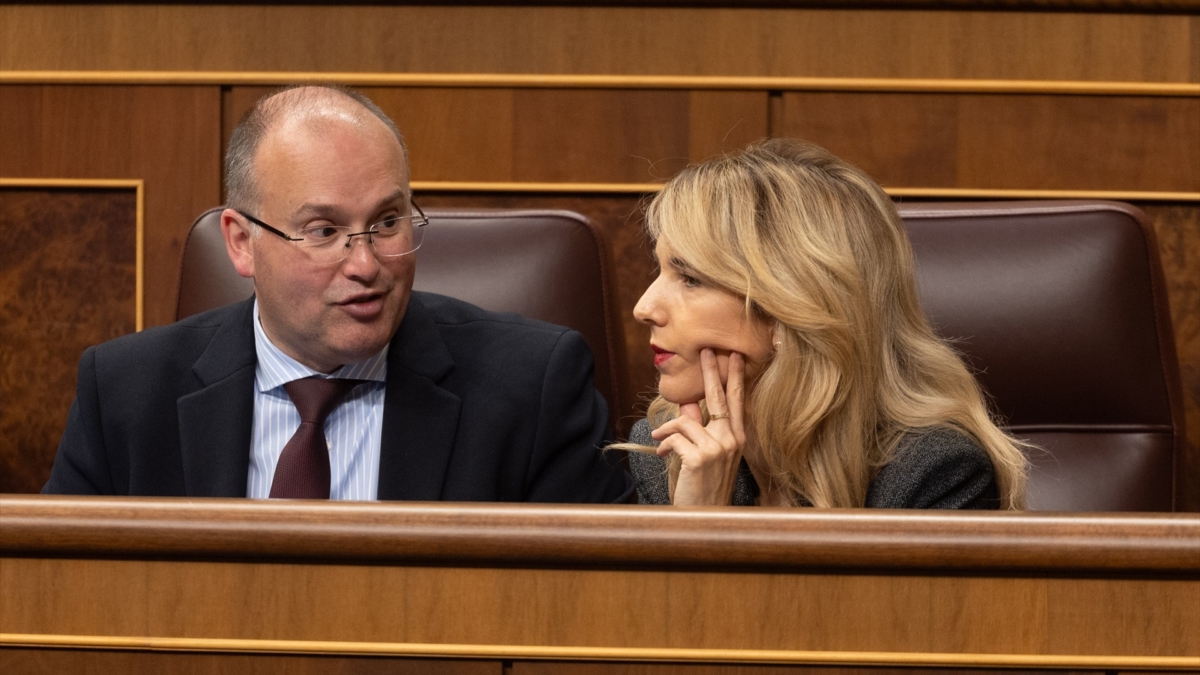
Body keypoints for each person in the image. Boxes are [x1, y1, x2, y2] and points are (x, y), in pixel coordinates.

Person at [44, 85, 631, 503]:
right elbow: (60, 602)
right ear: (242, 242)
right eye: (323, 232)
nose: (366, 264)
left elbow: (587, 618)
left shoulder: (531, 390)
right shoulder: (123, 394)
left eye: (387, 222)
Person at [622, 138, 1028, 509]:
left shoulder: (933, 472)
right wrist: (694, 520)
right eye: (659, 271)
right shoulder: (667, 452)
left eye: (690, 278)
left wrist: (706, 531)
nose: (644, 307)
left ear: (789, 308)